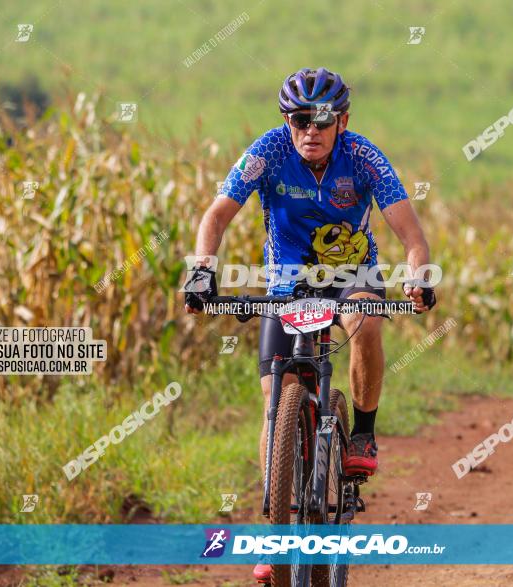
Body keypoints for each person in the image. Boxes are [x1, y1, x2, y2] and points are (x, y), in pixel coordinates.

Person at [183, 66, 435, 581]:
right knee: (277, 401)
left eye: (322, 120)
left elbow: (411, 233)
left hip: (352, 276)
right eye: (301, 120)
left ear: (342, 120)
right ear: (287, 120)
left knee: (365, 321)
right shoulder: (268, 152)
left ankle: (361, 434)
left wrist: (417, 277)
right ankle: (274, 523)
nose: (311, 131)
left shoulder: (364, 156)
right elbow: (215, 217)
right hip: (286, 282)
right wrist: (202, 273)